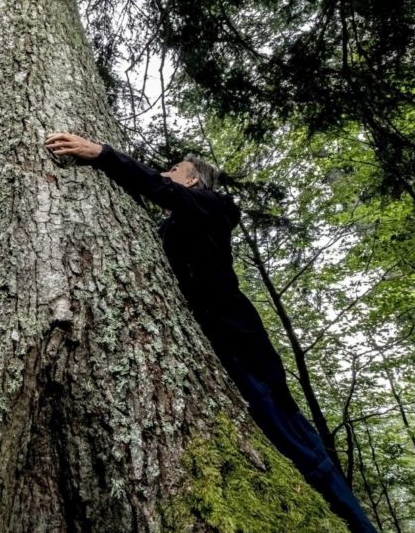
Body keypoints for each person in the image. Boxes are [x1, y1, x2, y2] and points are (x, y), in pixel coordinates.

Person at [44, 132, 377, 533]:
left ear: (191, 181)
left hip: (238, 339)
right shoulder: (177, 224)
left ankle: (355, 525)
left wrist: (102, 154)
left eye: (174, 171)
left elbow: (159, 188)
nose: (166, 173)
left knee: (291, 435)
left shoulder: (213, 205)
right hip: (212, 340)